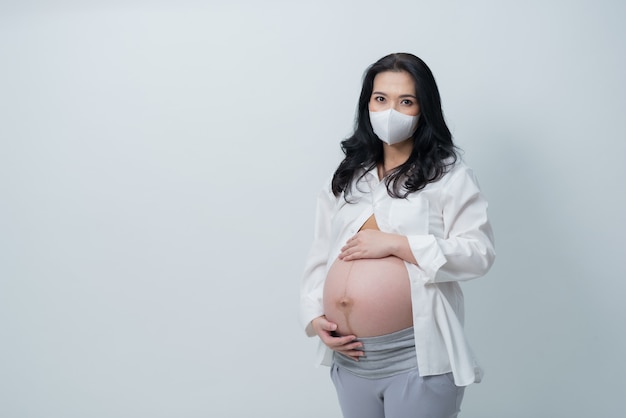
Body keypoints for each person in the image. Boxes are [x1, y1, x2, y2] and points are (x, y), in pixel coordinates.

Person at [299, 53, 496, 418]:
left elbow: (479, 253)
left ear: (425, 110)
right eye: (381, 99)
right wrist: (314, 316)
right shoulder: (347, 176)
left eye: (406, 101)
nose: (390, 111)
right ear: (367, 104)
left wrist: (397, 244)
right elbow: (321, 250)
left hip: (415, 359)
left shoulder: (449, 175)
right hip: (350, 360)